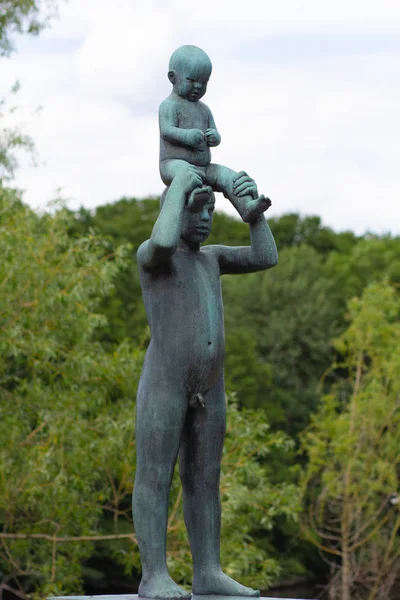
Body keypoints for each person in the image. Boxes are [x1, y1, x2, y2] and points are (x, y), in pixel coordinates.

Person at [132, 165, 278, 599]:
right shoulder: (155, 256)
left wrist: (251, 212)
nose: (205, 218)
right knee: (155, 475)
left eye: (211, 210)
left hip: (210, 385)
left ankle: (208, 571)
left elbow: (265, 256)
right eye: (197, 209)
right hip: (165, 382)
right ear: (174, 209)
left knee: (204, 478)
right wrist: (181, 181)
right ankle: (153, 574)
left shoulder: (211, 258)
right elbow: (161, 239)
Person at [159, 45, 271, 222]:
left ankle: (246, 206)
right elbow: (167, 131)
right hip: (173, 164)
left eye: (203, 83)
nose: (198, 86)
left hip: (205, 167)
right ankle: (195, 200)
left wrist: (214, 137)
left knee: (229, 176)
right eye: (192, 80)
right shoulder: (169, 105)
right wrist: (188, 136)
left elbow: (216, 136)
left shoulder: (204, 110)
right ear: (173, 77)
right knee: (186, 173)